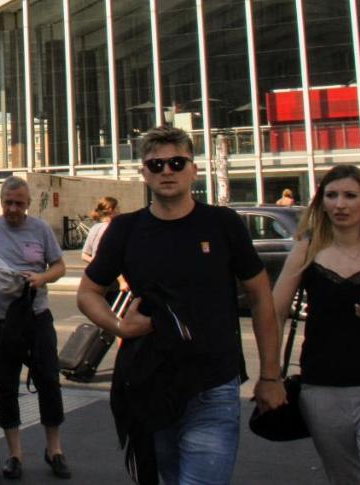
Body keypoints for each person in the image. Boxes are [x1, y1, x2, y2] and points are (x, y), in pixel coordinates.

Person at [77, 125, 284, 485]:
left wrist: (270, 376)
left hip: (213, 383)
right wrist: (120, 326)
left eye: (176, 162)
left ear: (193, 169)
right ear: (143, 173)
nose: (166, 171)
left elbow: (261, 297)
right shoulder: (125, 229)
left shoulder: (222, 223)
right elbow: (88, 292)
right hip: (149, 382)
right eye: (155, 165)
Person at [271, 164, 360, 484]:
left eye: (350, 196)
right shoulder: (306, 250)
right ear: (321, 203)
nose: (340, 204)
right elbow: (274, 314)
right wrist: (270, 375)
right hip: (323, 392)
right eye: (331, 195)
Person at [0, 176, 71, 480]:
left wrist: (41, 279)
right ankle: (15, 454)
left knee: (48, 379)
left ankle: (54, 449)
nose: (13, 209)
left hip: (35, 313)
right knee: (6, 385)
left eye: (19, 204)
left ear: (29, 204)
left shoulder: (41, 229)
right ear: (0, 201)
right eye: (8, 203)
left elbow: (59, 266)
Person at [80, 197, 120, 265]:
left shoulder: (94, 228)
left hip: (97, 273)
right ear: (111, 210)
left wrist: (98, 263)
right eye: (118, 208)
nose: (120, 211)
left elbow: (84, 255)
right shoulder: (116, 228)